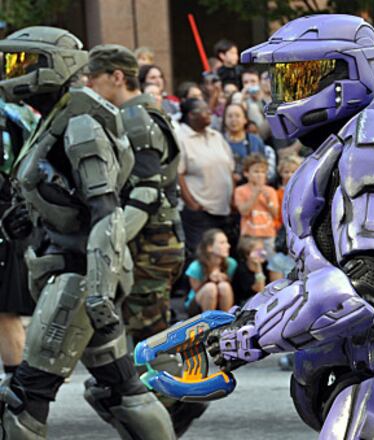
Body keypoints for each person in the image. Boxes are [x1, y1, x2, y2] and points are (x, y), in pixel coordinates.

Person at [202, 15, 374, 439]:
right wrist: (237, 322)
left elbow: (358, 291)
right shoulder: (342, 142)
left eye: (302, 77)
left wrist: (245, 339)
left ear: (349, 74)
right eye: (284, 79)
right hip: (359, 369)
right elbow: (311, 273)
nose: (286, 93)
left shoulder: (373, 144)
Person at [0, 27, 174, 438]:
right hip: (71, 270)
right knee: (121, 389)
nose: (12, 72)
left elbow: (106, 211)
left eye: (22, 62)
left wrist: (99, 287)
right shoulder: (57, 118)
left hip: (80, 277)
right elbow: (67, 199)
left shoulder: (80, 123)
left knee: (24, 401)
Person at [86, 45, 208, 436]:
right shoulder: (137, 113)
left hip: (150, 242)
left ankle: (175, 404)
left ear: (117, 77)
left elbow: (148, 190)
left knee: (145, 335)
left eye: (95, 77)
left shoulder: (135, 118)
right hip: (152, 239)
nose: (90, 84)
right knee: (148, 328)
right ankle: (168, 406)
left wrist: (114, 240)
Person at [0, 92, 38, 381]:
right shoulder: (20, 114)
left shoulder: (15, 115)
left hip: (7, 216)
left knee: (5, 312)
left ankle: (20, 396)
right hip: (13, 213)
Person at [177, 98, 235, 253]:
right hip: (200, 212)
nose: (209, 113)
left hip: (224, 209)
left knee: (223, 257)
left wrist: (232, 197)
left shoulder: (216, 135)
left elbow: (229, 168)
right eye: (204, 111)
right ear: (191, 115)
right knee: (203, 256)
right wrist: (191, 204)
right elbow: (178, 174)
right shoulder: (181, 138)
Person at [233, 154, 279, 257]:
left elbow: (275, 214)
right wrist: (255, 194)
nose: (260, 175)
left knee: (273, 264)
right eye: (256, 171)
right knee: (253, 262)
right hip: (250, 236)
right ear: (246, 173)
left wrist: (268, 201)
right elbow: (244, 212)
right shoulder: (240, 190)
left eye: (263, 172)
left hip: (269, 235)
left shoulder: (270, 191)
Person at [184, 229, 237, 314]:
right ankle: (208, 322)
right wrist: (208, 279)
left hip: (222, 302)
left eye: (227, 242)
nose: (228, 246)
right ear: (210, 247)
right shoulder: (195, 267)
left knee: (224, 286)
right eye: (222, 243)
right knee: (210, 288)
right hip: (197, 305)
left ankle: (227, 320)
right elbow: (195, 290)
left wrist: (225, 279)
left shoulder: (231, 263)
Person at [222, 102, 276, 184]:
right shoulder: (219, 141)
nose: (233, 120)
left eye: (237, 116)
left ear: (245, 119)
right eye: (229, 116)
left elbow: (264, 168)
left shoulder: (255, 141)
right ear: (225, 120)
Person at [231, 236, 267, 307]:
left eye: (262, 249)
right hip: (244, 303)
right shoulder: (242, 269)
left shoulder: (265, 265)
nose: (262, 253)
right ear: (247, 254)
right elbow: (259, 289)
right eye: (257, 251)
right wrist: (258, 269)